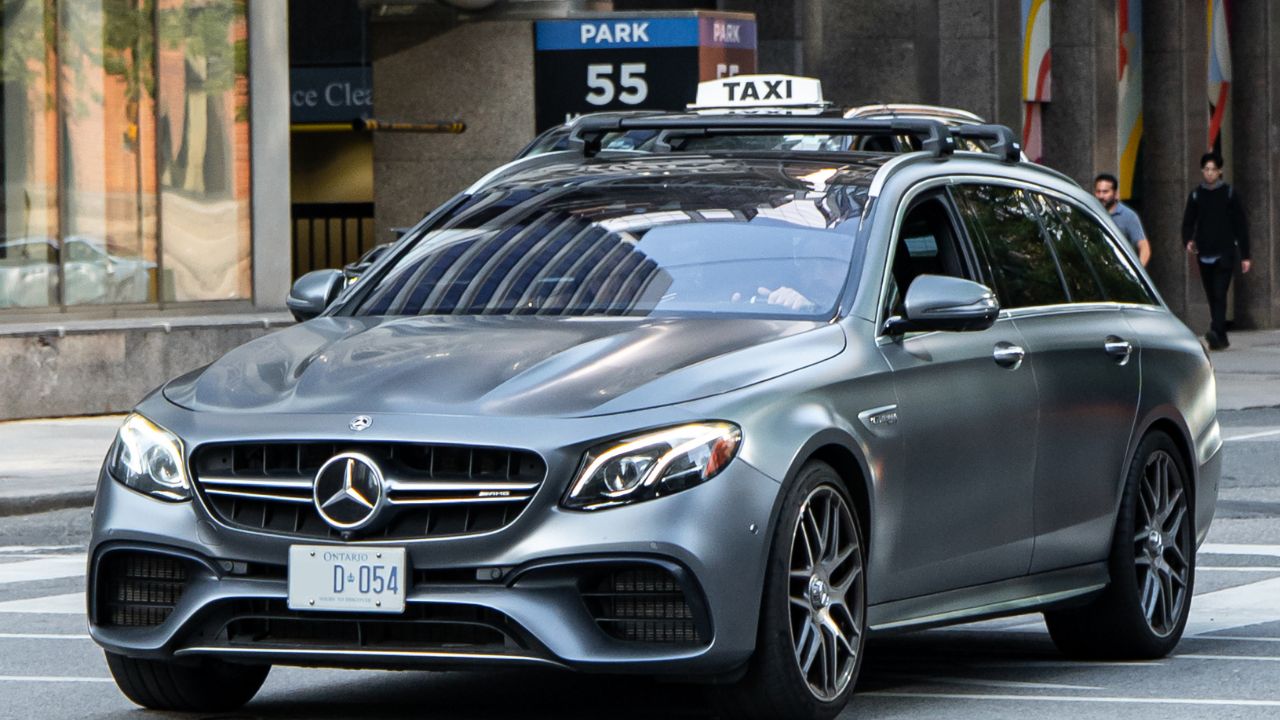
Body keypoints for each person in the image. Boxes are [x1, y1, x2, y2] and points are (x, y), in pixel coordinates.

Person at [1181, 152, 1250, 350]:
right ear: (1202, 171)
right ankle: (1221, 337)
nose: (1209, 173)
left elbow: (1240, 224)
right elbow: (1188, 222)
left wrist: (1245, 255)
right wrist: (1188, 241)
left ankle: (1214, 329)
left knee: (1220, 292)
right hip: (1204, 251)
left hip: (1225, 251)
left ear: (1220, 171)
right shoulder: (1196, 195)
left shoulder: (1229, 193)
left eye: (1213, 170)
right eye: (1206, 169)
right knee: (1212, 294)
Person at [1093, 173, 1151, 266]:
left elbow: (1144, 247)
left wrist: (1136, 273)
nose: (1101, 196)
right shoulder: (1092, 212)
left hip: (1121, 270)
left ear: (1115, 194)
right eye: (1098, 192)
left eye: (1105, 192)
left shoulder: (1128, 216)